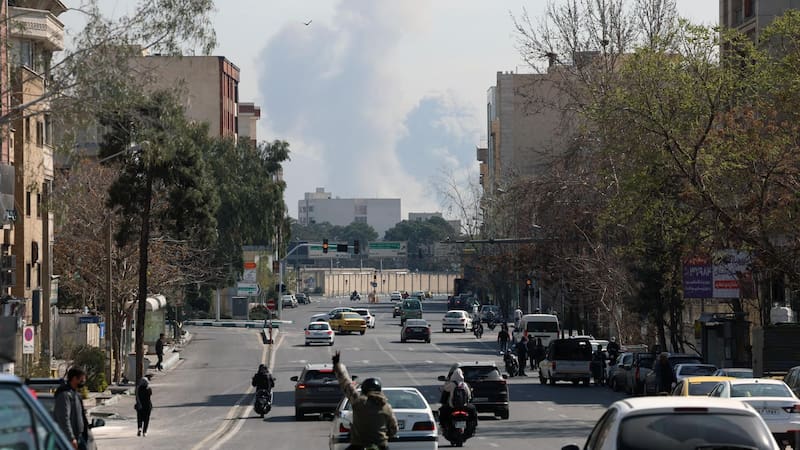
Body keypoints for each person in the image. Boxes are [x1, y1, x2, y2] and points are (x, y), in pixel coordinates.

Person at [332, 351, 397, 450]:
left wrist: (337, 365)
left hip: (359, 445)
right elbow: (394, 429)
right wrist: (386, 434)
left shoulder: (359, 402)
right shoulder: (386, 406)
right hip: (380, 445)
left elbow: (346, 383)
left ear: (364, 390)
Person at [54, 367, 90, 450]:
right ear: (74, 379)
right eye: (82, 379)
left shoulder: (75, 394)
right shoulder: (65, 395)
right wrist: (71, 438)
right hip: (70, 439)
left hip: (79, 437)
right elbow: (64, 418)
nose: (83, 382)